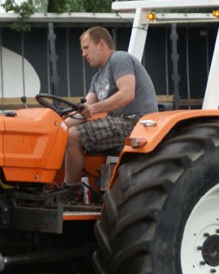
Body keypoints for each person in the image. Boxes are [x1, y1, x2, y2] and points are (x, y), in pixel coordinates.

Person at [59, 26, 158, 200]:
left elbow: (127, 94)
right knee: (64, 134)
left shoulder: (119, 59)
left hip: (137, 123)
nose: (83, 54)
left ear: (101, 44)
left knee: (74, 137)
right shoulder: (97, 78)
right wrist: (58, 127)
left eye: (86, 48)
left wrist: (94, 109)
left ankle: (69, 191)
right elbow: (84, 110)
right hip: (119, 124)